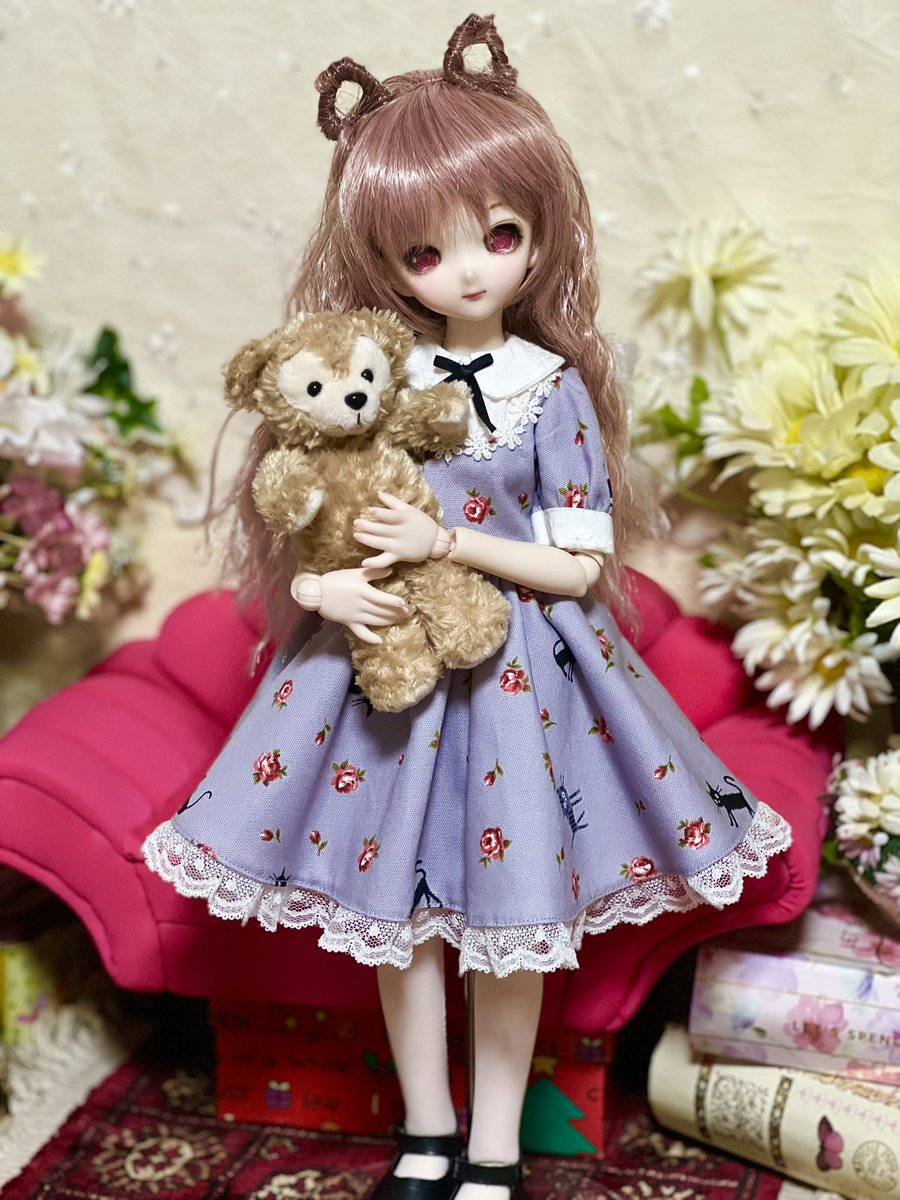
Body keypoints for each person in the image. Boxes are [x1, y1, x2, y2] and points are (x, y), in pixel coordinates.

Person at [143, 15, 791, 1199]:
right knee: (393, 923)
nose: (472, 271)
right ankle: (427, 1132)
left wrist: (447, 540)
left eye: (500, 235)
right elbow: (313, 520)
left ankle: (494, 1147)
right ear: (389, 265)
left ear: (540, 233)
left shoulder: (553, 389)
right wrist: (323, 586)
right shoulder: (369, 372)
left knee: (509, 923)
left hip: (520, 679)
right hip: (378, 670)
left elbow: (578, 567)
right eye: (426, 253)